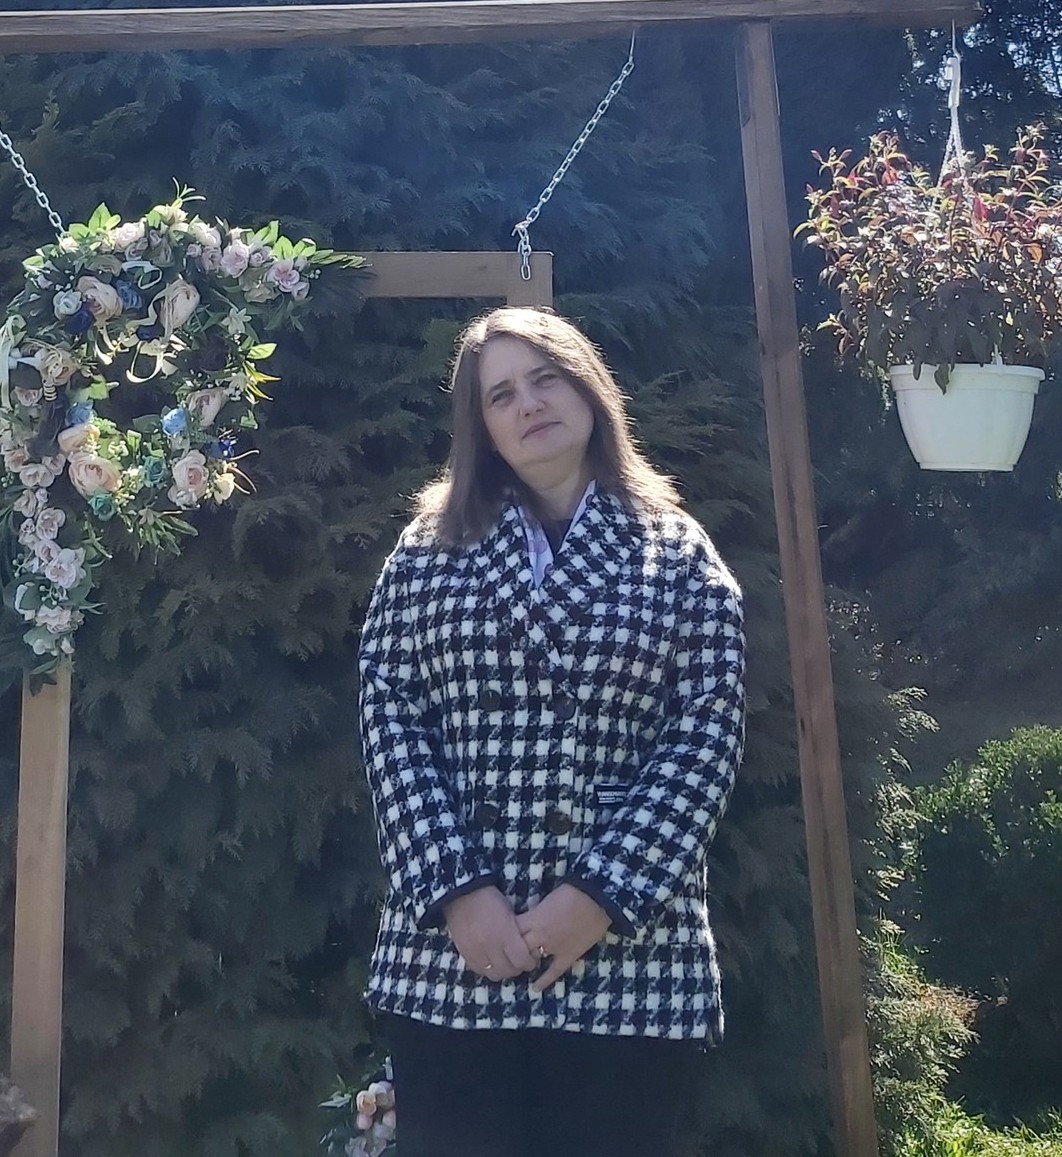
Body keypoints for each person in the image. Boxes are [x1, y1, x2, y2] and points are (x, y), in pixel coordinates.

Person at [358, 306, 746, 1157]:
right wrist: (456, 889)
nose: (528, 404)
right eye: (501, 395)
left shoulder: (680, 555)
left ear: (589, 390)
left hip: (630, 953)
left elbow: (705, 738)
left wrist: (598, 896)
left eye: (546, 379)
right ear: (482, 427)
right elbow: (390, 719)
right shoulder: (424, 553)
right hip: (454, 954)